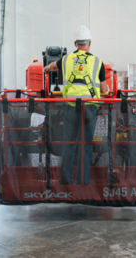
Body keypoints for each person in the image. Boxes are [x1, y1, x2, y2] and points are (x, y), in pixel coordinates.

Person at [44, 25, 108, 185]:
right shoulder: (98, 62)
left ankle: (65, 179)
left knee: (69, 143)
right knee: (86, 145)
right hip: (90, 108)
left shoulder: (65, 60)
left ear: (75, 44)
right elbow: (105, 90)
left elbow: (53, 66)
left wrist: (47, 67)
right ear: (90, 43)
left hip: (71, 107)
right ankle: (83, 181)